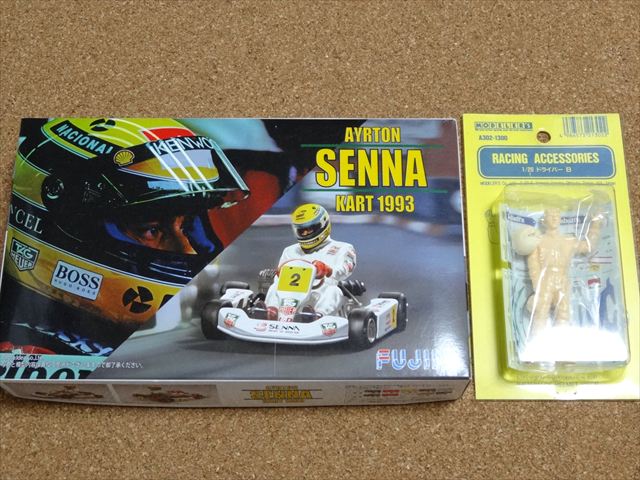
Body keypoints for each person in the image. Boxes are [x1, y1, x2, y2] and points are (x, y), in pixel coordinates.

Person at [265, 204, 356, 318]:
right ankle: (271, 312)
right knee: (274, 287)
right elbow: (280, 277)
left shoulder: (343, 248)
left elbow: (345, 269)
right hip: (290, 296)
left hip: (319, 293)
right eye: (302, 231)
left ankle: (317, 316)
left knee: (334, 291)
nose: (305, 234)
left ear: (322, 224)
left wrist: (328, 270)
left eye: (309, 230)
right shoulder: (290, 250)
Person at [525, 207, 603, 337]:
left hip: (563, 280)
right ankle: (537, 343)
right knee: (541, 314)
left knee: (563, 314)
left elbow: (588, 246)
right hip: (545, 281)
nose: (555, 217)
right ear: (544, 220)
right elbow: (533, 264)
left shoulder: (568, 240)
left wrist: (595, 224)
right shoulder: (538, 241)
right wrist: (537, 285)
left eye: (557, 215)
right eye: (551, 215)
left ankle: (561, 344)